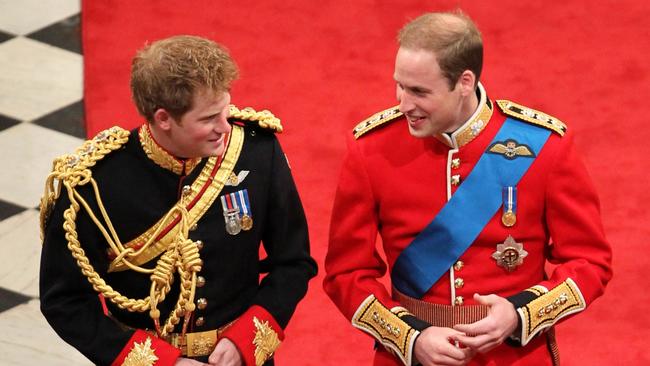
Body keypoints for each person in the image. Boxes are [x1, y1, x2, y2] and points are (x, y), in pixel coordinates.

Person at [323, 11, 612, 366]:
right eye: (399, 84)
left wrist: (519, 315)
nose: (403, 104)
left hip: (513, 356)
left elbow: (590, 263)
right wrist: (411, 338)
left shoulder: (543, 147)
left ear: (464, 81)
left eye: (419, 91)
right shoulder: (370, 150)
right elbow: (345, 274)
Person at [39, 35, 317, 366]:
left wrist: (247, 339)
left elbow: (294, 262)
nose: (224, 127)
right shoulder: (92, 187)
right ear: (163, 119)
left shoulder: (256, 153)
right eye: (208, 118)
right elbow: (65, 301)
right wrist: (161, 362)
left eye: (225, 110)